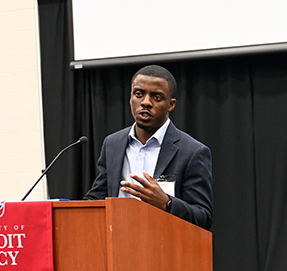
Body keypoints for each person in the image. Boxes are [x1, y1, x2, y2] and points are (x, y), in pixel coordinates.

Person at [84, 65, 213, 230]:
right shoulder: (112, 144)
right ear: (130, 97)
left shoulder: (192, 152)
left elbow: (203, 217)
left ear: (170, 104)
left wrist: (167, 203)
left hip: (163, 247)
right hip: (117, 243)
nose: (145, 102)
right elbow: (97, 198)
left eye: (157, 97)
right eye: (139, 94)